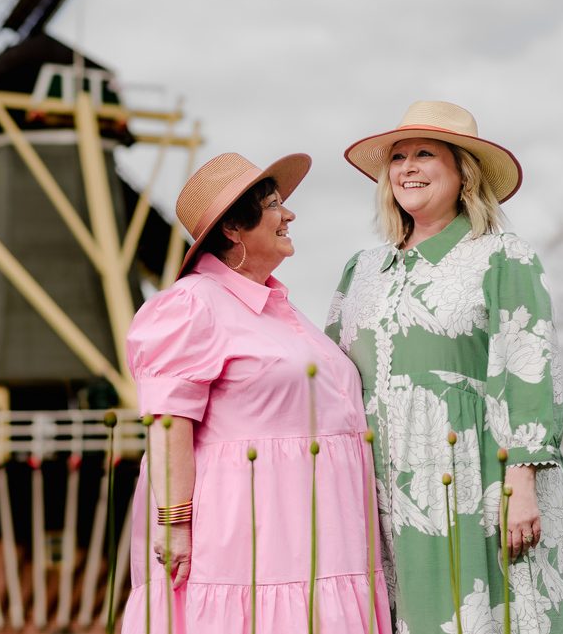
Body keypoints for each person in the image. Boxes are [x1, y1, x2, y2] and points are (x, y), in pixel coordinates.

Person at [326, 101, 563, 633]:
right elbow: (331, 373)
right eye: (398, 157)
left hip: (469, 475)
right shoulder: (362, 268)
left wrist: (522, 485)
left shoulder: (500, 256)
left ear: (463, 173)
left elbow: (528, 364)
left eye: (425, 154)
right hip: (370, 482)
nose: (408, 167)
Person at [122, 152, 391, 634]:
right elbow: (168, 424)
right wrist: (173, 522)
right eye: (272, 204)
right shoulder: (190, 306)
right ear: (233, 228)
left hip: (324, 536)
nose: (288, 214)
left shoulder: (280, 309)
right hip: (245, 537)